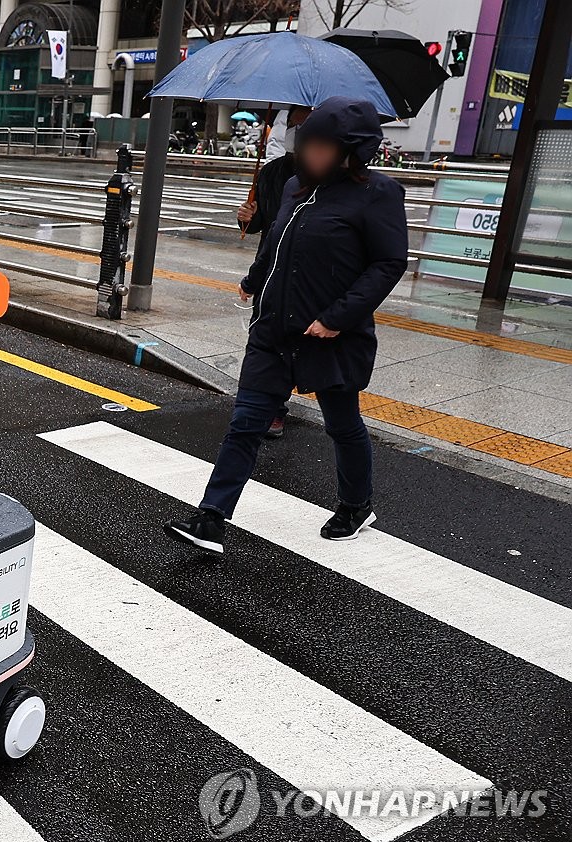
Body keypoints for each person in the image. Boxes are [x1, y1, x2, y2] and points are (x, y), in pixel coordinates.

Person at [166, 97, 408, 554]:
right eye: (306, 143)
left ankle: (356, 505)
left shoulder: (377, 194)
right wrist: (252, 282)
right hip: (274, 329)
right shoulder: (296, 186)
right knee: (246, 424)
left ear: (352, 150)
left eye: (322, 147)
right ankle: (211, 519)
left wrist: (337, 318)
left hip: (328, 335)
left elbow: (388, 263)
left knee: (342, 424)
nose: (309, 154)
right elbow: (275, 246)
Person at [236, 105, 312, 439]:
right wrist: (247, 216)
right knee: (266, 335)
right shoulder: (271, 173)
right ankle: (270, 406)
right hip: (271, 269)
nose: (299, 126)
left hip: (312, 272)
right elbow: (263, 226)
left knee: (300, 341)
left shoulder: (334, 177)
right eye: (295, 121)